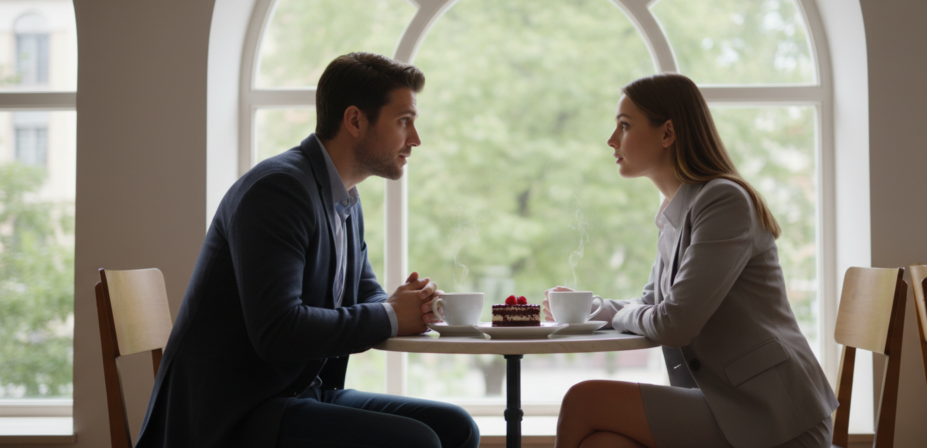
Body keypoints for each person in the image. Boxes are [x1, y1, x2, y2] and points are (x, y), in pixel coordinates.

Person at [135, 52, 479, 448]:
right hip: (232, 415)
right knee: (414, 442)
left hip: (296, 395)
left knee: (457, 427)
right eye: (404, 121)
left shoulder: (345, 197)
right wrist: (389, 315)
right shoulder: (278, 191)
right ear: (354, 120)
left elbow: (364, 292)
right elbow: (278, 331)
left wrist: (409, 305)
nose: (415, 139)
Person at [543, 73, 838, 448]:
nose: (612, 140)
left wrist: (613, 315)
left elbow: (674, 323)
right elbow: (651, 305)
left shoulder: (723, 201)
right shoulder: (676, 212)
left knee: (583, 401)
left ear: (667, 133)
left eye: (624, 125)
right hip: (728, 406)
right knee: (601, 443)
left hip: (775, 418)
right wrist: (591, 308)